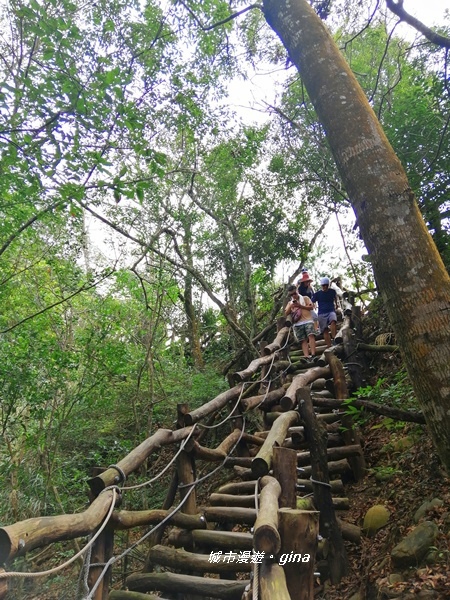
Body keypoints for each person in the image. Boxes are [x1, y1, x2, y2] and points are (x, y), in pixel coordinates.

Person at [285, 284, 317, 362]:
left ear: (297, 291)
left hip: (308, 320)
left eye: (294, 293)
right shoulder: (290, 303)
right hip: (298, 323)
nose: (293, 295)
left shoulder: (305, 298)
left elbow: (311, 307)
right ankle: (306, 356)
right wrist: (291, 305)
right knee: (303, 340)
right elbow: (286, 313)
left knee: (311, 336)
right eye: (291, 294)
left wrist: (300, 306)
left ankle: (313, 354)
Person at [311, 277, 338, 348]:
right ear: (321, 286)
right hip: (321, 313)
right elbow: (311, 301)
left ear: (328, 285)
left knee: (333, 321)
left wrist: (336, 305)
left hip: (331, 311)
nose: (325, 286)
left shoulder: (332, 291)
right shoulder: (317, 294)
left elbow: (335, 297)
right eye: (323, 285)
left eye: (326, 285)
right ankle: (329, 346)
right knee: (325, 330)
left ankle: (334, 338)